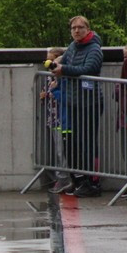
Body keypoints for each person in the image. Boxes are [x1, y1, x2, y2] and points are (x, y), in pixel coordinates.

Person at [51, 15, 103, 197]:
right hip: (73, 101)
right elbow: (64, 60)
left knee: (87, 143)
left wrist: (64, 70)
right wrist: (58, 63)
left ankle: (90, 182)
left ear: (88, 29)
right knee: (73, 143)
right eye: (73, 28)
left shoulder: (94, 48)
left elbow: (89, 69)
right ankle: (77, 180)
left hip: (90, 102)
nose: (77, 31)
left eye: (80, 27)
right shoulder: (73, 46)